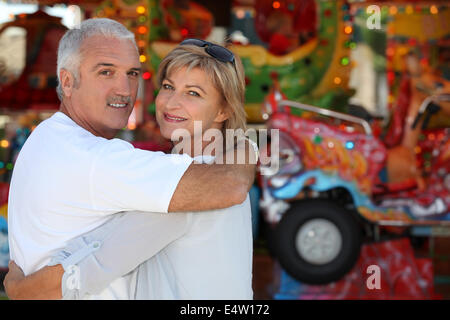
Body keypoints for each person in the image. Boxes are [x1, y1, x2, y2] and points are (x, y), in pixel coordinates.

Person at [5, 19, 256, 299]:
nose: (171, 102)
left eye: (193, 93)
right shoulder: (198, 175)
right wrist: (246, 146)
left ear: (223, 110)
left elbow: (89, 269)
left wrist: (18, 287)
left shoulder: (197, 184)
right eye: (169, 86)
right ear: (67, 81)